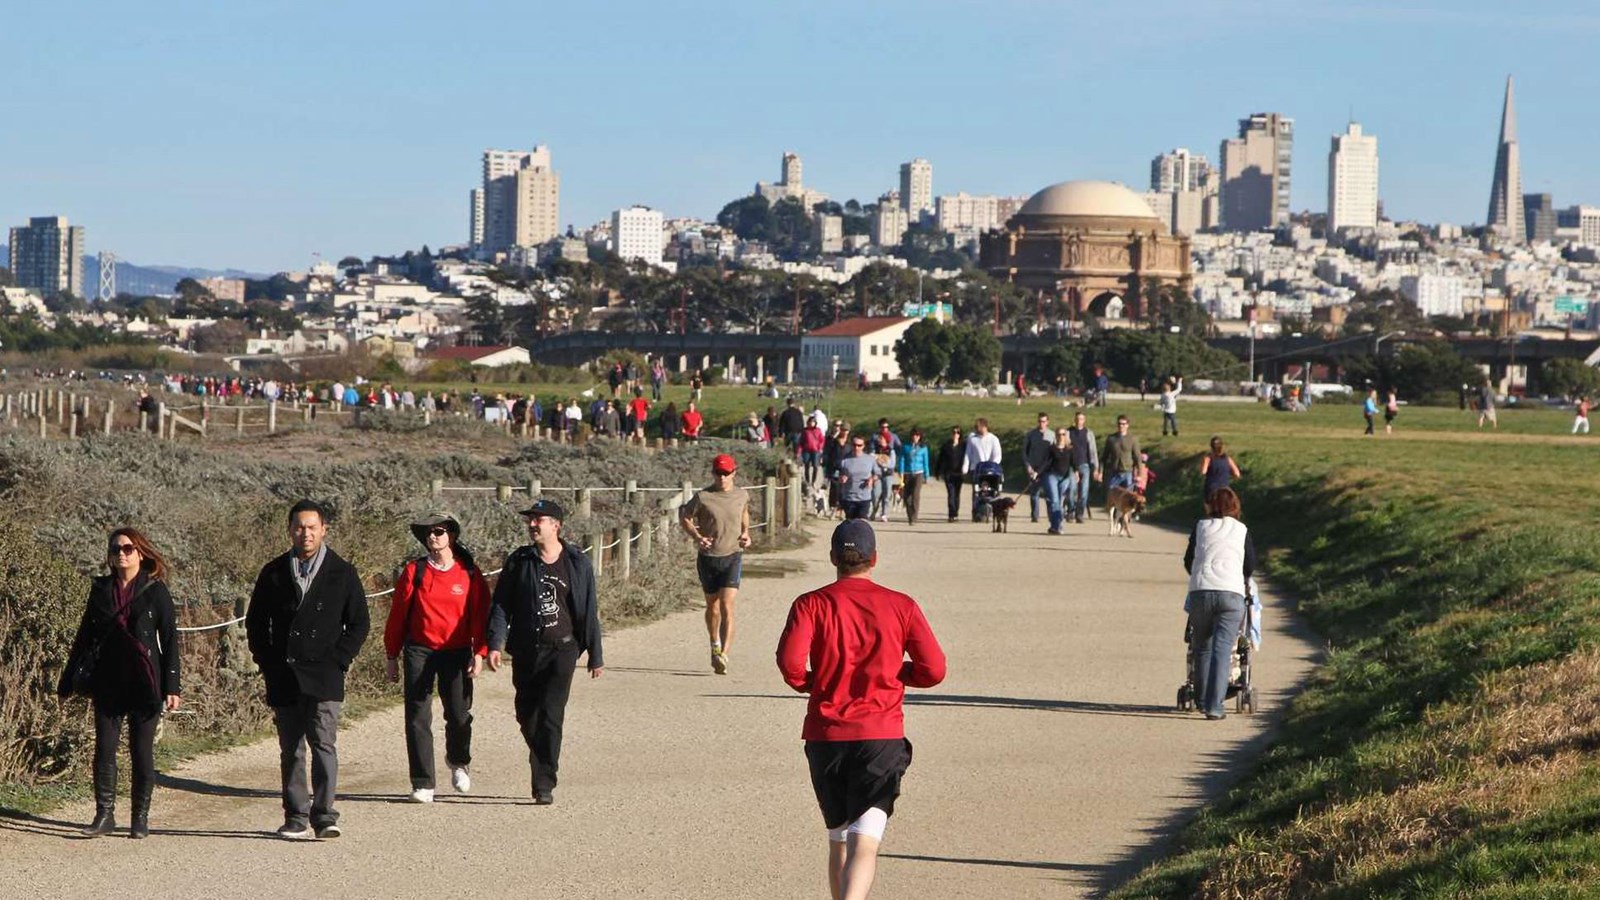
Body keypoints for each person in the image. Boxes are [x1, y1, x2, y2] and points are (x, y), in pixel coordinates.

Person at [776, 520, 947, 900]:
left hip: (826, 736)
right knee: (864, 844)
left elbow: (789, 663)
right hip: (880, 737)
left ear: (834, 557)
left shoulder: (810, 603)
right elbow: (934, 669)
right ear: (874, 558)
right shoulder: (901, 605)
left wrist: (815, 683)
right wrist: (899, 672)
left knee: (838, 840)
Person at [246, 500, 371, 840]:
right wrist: (267, 662)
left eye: (312, 527)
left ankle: (325, 815)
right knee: (291, 749)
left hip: (325, 675)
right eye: (299, 527)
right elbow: (256, 623)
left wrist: (339, 660)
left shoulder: (342, 572)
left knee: (324, 744)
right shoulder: (272, 572)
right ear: (289, 529)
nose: (306, 533)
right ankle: (296, 816)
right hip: (284, 674)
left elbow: (358, 623)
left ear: (324, 529)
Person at [60, 528, 181, 839]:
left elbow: (169, 640)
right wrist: (67, 678)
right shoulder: (100, 590)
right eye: (115, 550)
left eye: (128, 548)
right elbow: (84, 637)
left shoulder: (156, 591)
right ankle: (104, 814)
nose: (121, 554)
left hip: (146, 683)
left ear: (141, 553)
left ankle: (140, 817)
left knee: (141, 751)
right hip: (108, 681)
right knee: (104, 749)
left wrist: (172, 687)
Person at [486, 499, 604, 805]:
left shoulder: (576, 562)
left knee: (551, 716)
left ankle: (544, 782)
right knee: (527, 715)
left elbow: (589, 608)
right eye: (531, 520)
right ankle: (542, 756)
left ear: (556, 525)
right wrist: (495, 643)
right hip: (526, 650)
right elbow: (501, 605)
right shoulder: (519, 561)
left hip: (562, 649)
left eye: (540, 520)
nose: (533, 524)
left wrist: (595, 654)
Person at [384, 513, 491, 804]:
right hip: (420, 649)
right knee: (417, 715)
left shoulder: (469, 573)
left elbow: (480, 615)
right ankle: (422, 782)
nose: (433, 537)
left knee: (458, 714)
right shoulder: (414, 571)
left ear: (451, 536)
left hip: (456, 651)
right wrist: (392, 655)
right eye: (428, 533)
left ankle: (458, 761)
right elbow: (398, 616)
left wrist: (480, 652)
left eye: (439, 531)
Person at [1183, 488, 1256, 720]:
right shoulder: (1242, 530)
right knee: (1222, 650)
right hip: (1231, 594)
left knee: (1201, 646)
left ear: (1211, 505)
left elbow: (1188, 560)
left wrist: (1198, 576)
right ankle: (1215, 707)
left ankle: (1202, 700)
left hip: (1201, 592)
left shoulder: (1200, 526)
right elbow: (1250, 565)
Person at [679, 454, 752, 675]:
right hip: (709, 557)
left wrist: (746, 533)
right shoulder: (703, 497)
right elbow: (684, 516)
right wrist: (697, 536)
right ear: (713, 473)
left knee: (727, 604)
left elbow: (744, 513)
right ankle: (714, 645)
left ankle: (724, 655)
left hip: (733, 555)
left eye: (726, 473)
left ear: (734, 473)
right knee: (713, 606)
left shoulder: (742, 495)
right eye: (718, 473)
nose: (722, 477)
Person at [1063, 411, 1098, 524]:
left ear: (1084, 420)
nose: (1079, 421)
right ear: (1075, 419)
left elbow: (1093, 451)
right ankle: (1071, 511)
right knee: (1072, 490)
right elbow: (1065, 448)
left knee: (1084, 491)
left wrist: (1096, 467)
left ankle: (1080, 513)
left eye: (1081, 419)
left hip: (1085, 465)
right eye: (1077, 419)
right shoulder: (1068, 432)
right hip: (1072, 466)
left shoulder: (1089, 433)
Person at [836, 434, 878, 520]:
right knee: (851, 524)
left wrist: (872, 479)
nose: (856, 448)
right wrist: (841, 478)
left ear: (863, 446)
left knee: (862, 523)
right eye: (854, 445)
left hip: (864, 497)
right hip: (849, 497)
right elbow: (838, 474)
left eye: (859, 445)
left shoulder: (870, 459)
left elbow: (877, 474)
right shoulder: (845, 460)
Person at [1021, 412, 1053, 523]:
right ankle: (1035, 516)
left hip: (1046, 469)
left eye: (1043, 421)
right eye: (1039, 421)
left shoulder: (1052, 436)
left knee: (1049, 495)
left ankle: (1051, 516)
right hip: (1033, 467)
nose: (1041, 424)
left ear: (1047, 422)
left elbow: (1052, 456)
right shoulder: (1031, 435)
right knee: (1034, 494)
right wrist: (1028, 467)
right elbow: (1025, 452)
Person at [1042, 428, 1074, 534]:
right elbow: (1046, 463)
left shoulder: (1070, 449)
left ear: (1066, 436)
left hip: (1065, 478)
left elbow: (1074, 463)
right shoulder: (1051, 449)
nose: (1061, 436)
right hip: (1052, 476)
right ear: (1056, 436)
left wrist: (1077, 472)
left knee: (1060, 502)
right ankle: (1056, 526)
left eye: (1063, 434)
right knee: (1055, 501)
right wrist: (1037, 472)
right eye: (1059, 434)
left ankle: (1056, 525)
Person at [896, 428, 930, 526]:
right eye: (914, 435)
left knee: (915, 494)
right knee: (907, 496)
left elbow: (925, 462)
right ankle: (910, 514)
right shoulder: (906, 447)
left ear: (920, 437)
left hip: (919, 473)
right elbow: (902, 460)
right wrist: (901, 471)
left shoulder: (923, 448)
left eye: (917, 435)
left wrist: (926, 475)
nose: (915, 437)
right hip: (907, 473)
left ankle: (914, 516)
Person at [934, 425, 967, 523]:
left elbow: (967, 459)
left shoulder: (963, 446)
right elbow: (940, 459)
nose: (955, 434)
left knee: (957, 494)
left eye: (957, 433)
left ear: (960, 434)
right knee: (951, 494)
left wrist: (966, 470)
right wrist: (937, 472)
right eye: (954, 432)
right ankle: (951, 514)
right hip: (948, 473)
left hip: (959, 473)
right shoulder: (946, 446)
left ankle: (956, 513)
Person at [1101, 415, 1143, 492]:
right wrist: (1100, 471)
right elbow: (1104, 456)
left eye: (1123, 424)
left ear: (1127, 425)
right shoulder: (1111, 439)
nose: (1121, 426)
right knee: (1111, 493)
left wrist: (1140, 474)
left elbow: (1137, 457)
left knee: (1127, 497)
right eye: (1119, 424)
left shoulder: (1132, 439)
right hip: (1115, 472)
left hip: (1128, 472)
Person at [1199, 437, 1241, 505]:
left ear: (1211, 446)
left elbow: (1203, 472)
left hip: (1212, 488)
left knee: (1211, 507)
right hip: (1225, 488)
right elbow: (1237, 474)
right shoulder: (1227, 459)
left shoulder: (1208, 458)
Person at [800, 415, 826, 486]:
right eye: (810, 422)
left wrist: (820, 448)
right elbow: (801, 441)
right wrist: (799, 451)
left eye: (813, 422)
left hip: (816, 450)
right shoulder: (805, 431)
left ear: (815, 423)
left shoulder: (818, 430)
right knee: (806, 466)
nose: (811, 423)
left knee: (815, 466)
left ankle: (813, 481)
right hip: (806, 450)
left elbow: (822, 440)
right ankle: (807, 481)